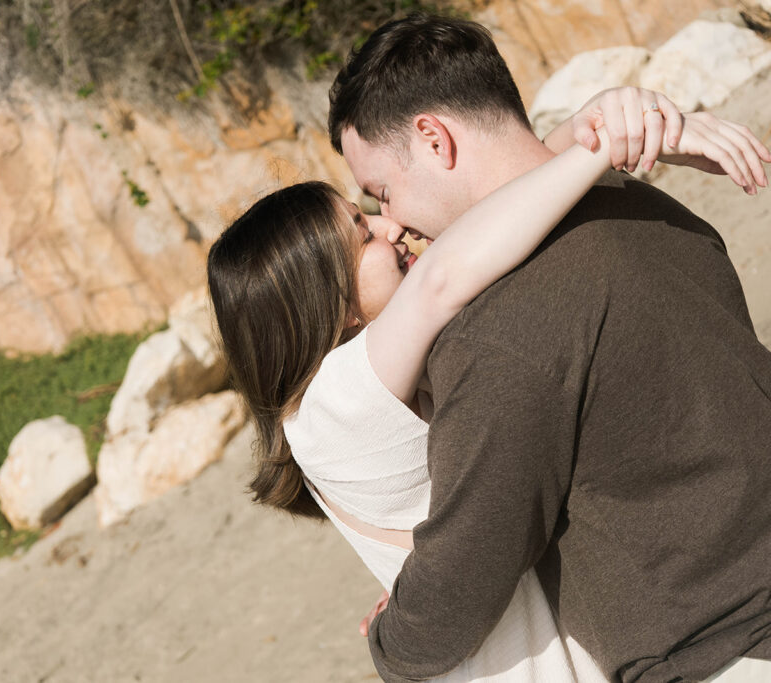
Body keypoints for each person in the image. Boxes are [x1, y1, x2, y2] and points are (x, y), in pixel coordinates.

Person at [209, 78, 768, 683]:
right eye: (362, 231)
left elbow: (481, 218)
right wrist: (598, 143)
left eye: (373, 205)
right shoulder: (337, 401)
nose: (389, 226)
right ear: (330, 302)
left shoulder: (367, 382)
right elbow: (449, 272)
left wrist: (595, 128)